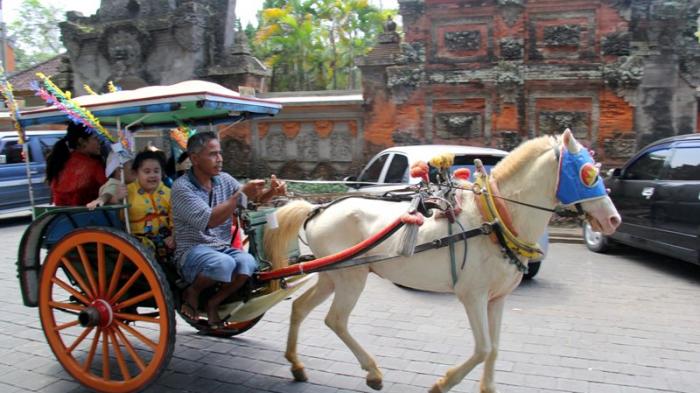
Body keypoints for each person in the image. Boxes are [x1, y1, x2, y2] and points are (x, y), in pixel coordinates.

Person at [172, 131, 286, 328]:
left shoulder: (224, 180)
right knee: (223, 264)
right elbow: (209, 220)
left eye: (220, 153)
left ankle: (213, 302)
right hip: (192, 251)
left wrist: (271, 193)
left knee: (248, 263)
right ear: (195, 158)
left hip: (221, 248)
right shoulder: (182, 188)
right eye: (213, 154)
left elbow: (250, 202)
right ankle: (192, 291)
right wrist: (239, 195)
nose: (219, 159)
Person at [127, 150, 174, 262]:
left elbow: (176, 217)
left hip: (166, 234)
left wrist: (174, 235)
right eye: (147, 172)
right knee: (150, 247)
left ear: (162, 173)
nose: (152, 175)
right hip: (139, 237)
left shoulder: (169, 192)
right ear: (136, 173)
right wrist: (116, 199)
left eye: (156, 171)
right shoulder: (127, 192)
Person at [46, 122, 106, 206]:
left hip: (63, 216)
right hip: (88, 216)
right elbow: (108, 190)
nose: (99, 141)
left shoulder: (60, 161)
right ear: (82, 141)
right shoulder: (93, 165)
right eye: (95, 138)